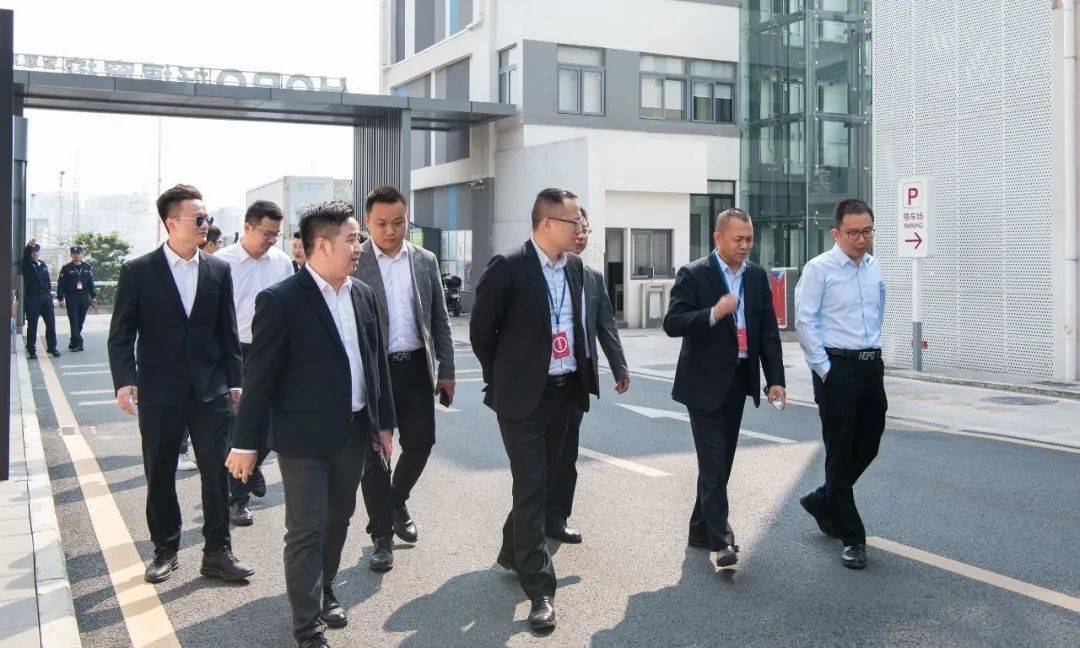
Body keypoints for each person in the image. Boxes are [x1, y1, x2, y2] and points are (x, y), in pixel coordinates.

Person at [226, 201, 396, 648]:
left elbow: (375, 365)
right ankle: (307, 627)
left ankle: (325, 590)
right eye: (352, 239)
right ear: (322, 244)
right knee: (306, 529)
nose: (359, 247)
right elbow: (259, 380)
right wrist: (245, 444)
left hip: (353, 433)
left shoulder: (362, 294)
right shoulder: (281, 300)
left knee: (338, 520)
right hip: (302, 439)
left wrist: (383, 424)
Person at [108, 184, 253, 585]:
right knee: (160, 472)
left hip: (211, 391)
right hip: (159, 391)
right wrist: (125, 381)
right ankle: (165, 550)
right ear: (172, 223)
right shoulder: (138, 271)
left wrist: (235, 382)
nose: (206, 225)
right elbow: (121, 335)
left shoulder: (218, 270)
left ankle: (218, 551)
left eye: (208, 218)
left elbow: (227, 331)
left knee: (217, 472)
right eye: (199, 218)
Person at [470, 188, 593, 631]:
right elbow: (482, 332)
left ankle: (512, 550)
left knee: (542, 480)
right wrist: (508, 376)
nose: (580, 229)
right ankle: (541, 591)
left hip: (563, 392)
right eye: (574, 222)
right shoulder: (508, 267)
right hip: (522, 398)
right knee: (531, 485)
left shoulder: (573, 267)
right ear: (547, 223)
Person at [663, 208, 786, 570]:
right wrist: (714, 313)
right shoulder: (693, 274)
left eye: (749, 239)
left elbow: (768, 331)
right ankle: (722, 540)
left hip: (739, 379)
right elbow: (672, 323)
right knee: (714, 461)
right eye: (738, 239)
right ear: (718, 238)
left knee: (721, 461)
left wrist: (775, 379)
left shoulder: (756, 276)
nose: (745, 246)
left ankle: (699, 528)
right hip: (702, 382)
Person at [354, 186, 455, 545]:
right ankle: (382, 538)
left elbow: (439, 319)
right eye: (382, 223)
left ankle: (395, 501)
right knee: (376, 454)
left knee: (422, 442)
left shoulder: (425, 260)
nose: (391, 231)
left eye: (398, 222)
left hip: (414, 367)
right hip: (374, 372)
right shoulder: (355, 261)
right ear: (367, 221)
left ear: (407, 218)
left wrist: (447, 370)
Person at [794, 198, 887, 570]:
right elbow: (805, 322)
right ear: (836, 233)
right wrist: (825, 369)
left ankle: (823, 499)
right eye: (853, 233)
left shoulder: (874, 267)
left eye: (867, 232)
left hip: (870, 366)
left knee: (869, 443)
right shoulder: (819, 269)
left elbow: (878, 310)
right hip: (836, 368)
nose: (861, 239)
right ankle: (852, 537)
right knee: (840, 448)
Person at [545, 207, 629, 545]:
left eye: (585, 229)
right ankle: (529, 521)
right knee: (537, 457)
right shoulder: (539, 270)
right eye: (575, 227)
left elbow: (605, 324)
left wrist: (619, 366)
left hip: (575, 379)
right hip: (540, 379)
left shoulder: (592, 277)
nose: (581, 235)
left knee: (567, 454)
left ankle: (557, 517)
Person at [216, 200, 295, 526]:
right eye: (266, 233)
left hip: (273, 350)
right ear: (247, 227)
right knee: (241, 423)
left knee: (274, 421)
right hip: (235, 351)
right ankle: (238, 499)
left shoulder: (282, 262)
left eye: (276, 235)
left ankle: (255, 463)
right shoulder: (221, 263)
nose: (271, 240)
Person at [179, 225, 224, 472]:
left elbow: (227, 326)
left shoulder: (218, 268)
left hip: (211, 370)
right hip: (171, 371)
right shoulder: (147, 269)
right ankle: (181, 451)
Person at [21, 239, 60, 359]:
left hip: (46, 297)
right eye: (32, 251)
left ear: (39, 252)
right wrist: (29, 246)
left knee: (51, 323)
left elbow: (47, 280)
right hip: (33, 297)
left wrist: (49, 294)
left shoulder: (43, 264)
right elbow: (26, 256)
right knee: (33, 324)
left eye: (36, 251)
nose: (34, 253)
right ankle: (31, 350)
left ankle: (52, 347)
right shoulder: (27, 264)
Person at [57, 245, 98, 352]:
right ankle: (78, 343)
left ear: (82, 255)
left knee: (80, 321)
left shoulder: (87, 267)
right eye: (74, 254)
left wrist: (93, 296)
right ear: (71, 255)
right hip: (72, 297)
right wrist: (60, 298)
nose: (76, 255)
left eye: (78, 253)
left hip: (84, 297)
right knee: (74, 320)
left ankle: (74, 341)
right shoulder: (66, 268)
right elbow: (61, 284)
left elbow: (90, 283)